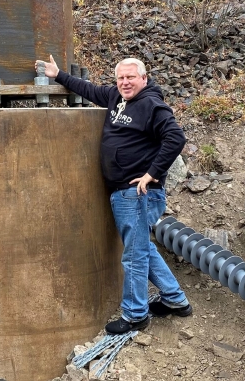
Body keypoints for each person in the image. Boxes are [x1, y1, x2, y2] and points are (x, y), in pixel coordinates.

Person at [35, 55, 191, 334]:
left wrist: (151, 174)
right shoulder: (116, 97)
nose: (125, 82)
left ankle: (135, 315)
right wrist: (58, 74)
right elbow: (89, 89)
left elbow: (175, 138)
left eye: (130, 77)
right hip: (124, 193)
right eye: (120, 77)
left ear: (144, 78)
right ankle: (175, 299)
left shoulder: (152, 105)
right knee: (141, 248)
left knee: (133, 256)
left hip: (138, 193)